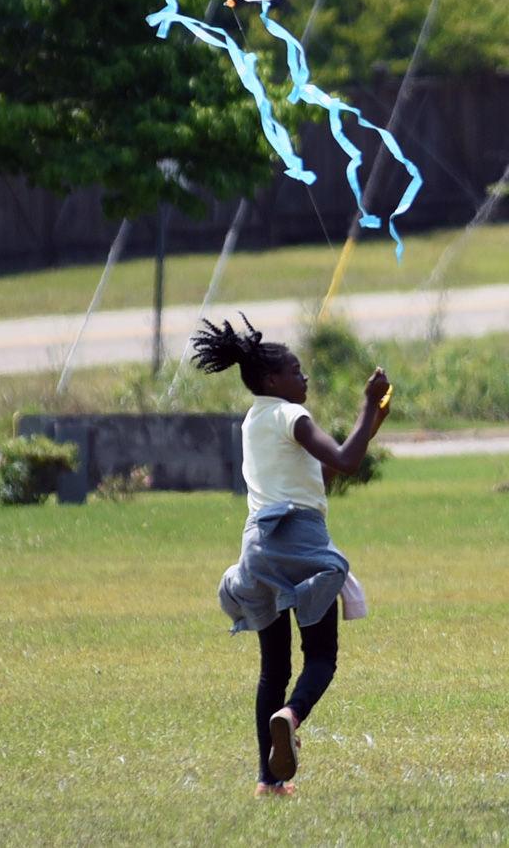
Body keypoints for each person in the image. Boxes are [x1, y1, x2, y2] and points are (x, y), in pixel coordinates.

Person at [191, 313, 390, 797]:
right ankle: (292, 714)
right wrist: (367, 406)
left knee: (273, 669)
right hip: (300, 543)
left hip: (257, 550)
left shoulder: (253, 421)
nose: (304, 378)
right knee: (321, 656)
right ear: (271, 380)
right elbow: (345, 459)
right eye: (297, 371)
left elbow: (320, 480)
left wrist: (372, 423)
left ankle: (268, 781)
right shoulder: (290, 415)